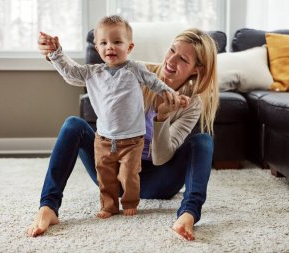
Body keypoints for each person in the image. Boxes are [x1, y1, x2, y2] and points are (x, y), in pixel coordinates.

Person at [28, 23, 218, 241]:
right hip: (114, 170)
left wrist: (162, 118)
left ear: (197, 69)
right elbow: (83, 74)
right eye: (172, 50)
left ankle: (188, 214)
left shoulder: (191, 104)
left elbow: (161, 157)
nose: (171, 61)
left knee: (203, 141)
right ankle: (48, 208)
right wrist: (53, 54)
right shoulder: (140, 71)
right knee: (74, 125)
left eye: (183, 59)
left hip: (158, 180)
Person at [40, 15, 188, 220]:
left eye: (117, 42)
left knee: (129, 175)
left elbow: (155, 83)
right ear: (97, 48)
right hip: (104, 139)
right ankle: (109, 206)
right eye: (104, 43)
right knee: (105, 175)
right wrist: (56, 54)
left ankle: (129, 202)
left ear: (129, 47)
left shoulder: (135, 69)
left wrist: (173, 95)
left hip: (132, 139)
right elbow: (70, 72)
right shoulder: (92, 72)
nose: (110, 47)